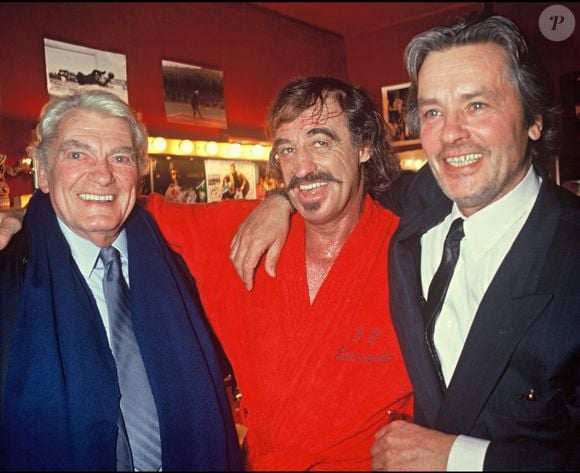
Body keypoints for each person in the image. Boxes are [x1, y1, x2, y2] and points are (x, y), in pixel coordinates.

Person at [0, 78, 414, 471]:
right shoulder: (236, 229)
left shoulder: (414, 255)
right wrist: (24, 215)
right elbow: (111, 205)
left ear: (363, 146)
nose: (302, 167)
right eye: (286, 150)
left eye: (321, 142)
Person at [228, 14, 580, 471]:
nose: (451, 133)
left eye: (476, 106)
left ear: (534, 119)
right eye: (434, 111)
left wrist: (462, 458)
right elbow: (335, 179)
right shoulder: (422, 198)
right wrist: (280, 200)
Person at [0, 90, 241, 471]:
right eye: (77, 154)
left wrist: (282, 203)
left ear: (139, 173)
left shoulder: (178, 256)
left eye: (120, 157)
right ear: (42, 173)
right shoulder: (10, 278)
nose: (103, 174)